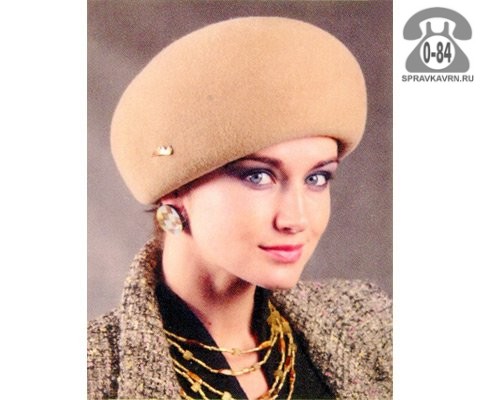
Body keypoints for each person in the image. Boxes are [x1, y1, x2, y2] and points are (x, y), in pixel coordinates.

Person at [87, 16, 392, 400]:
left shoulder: (367, 322)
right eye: (258, 176)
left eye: (317, 178)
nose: (296, 219)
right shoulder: (90, 373)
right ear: (174, 188)